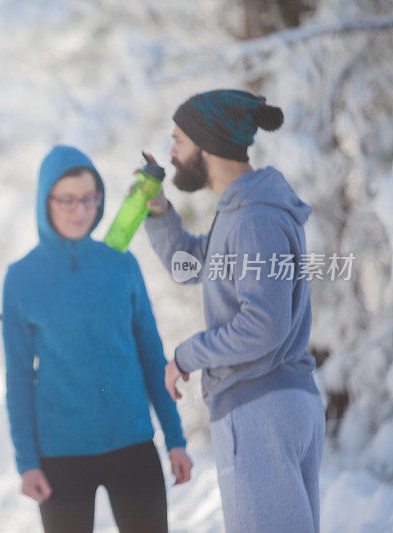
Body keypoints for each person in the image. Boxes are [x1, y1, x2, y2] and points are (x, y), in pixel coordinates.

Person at [143, 89, 325, 532]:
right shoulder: (242, 212)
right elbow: (188, 265)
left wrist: (186, 355)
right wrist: (158, 209)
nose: (171, 152)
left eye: (179, 140)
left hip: (260, 408)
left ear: (209, 145)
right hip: (277, 403)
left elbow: (263, 326)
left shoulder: (252, 219)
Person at [2, 145, 193, 533]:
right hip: (61, 457)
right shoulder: (22, 278)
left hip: (133, 445)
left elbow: (151, 355)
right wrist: (27, 463)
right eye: (67, 200)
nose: (80, 210)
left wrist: (175, 438)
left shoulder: (120, 265)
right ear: (45, 201)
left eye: (90, 199)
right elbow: (18, 379)